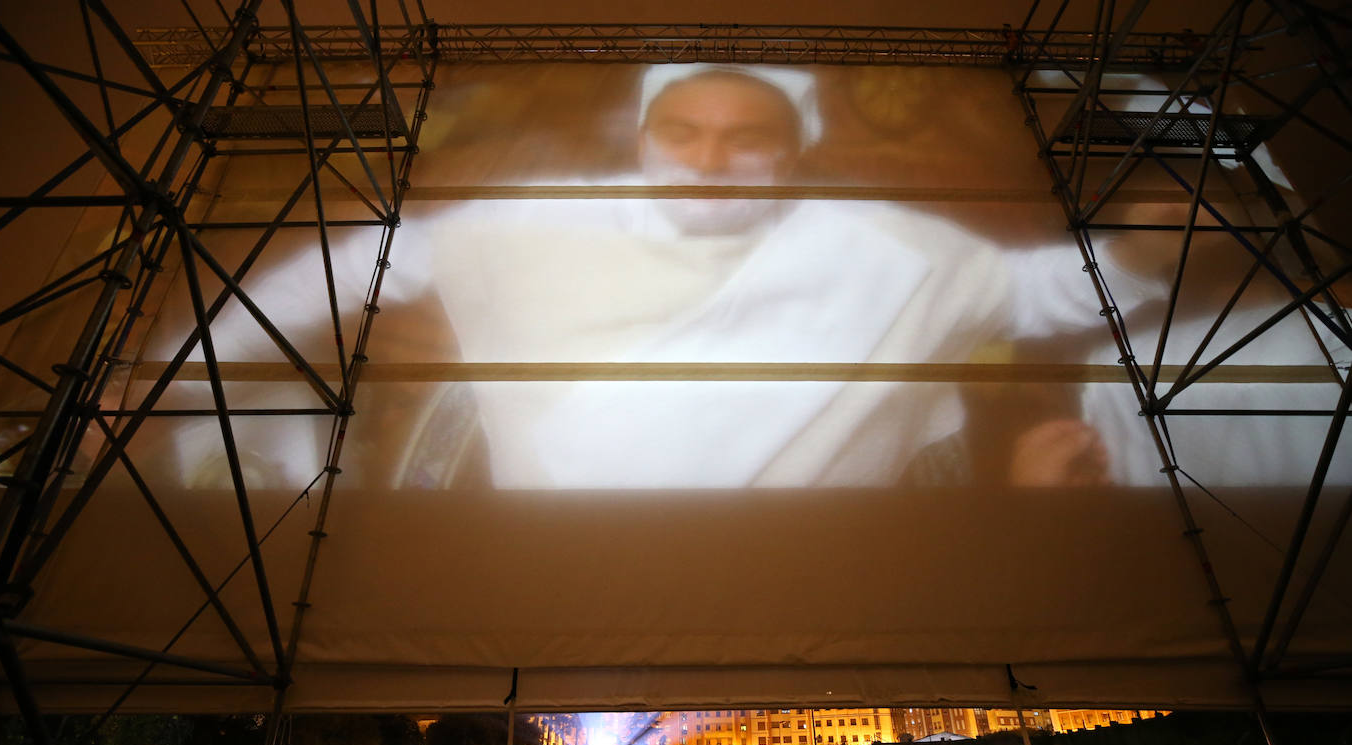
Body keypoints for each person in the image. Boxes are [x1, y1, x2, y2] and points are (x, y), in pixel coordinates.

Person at [396, 64, 1128, 489]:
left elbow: (1046, 290)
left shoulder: (898, 255)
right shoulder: (532, 230)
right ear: (645, 141)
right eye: (682, 135)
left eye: (745, 140)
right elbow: (369, 269)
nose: (709, 163)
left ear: (791, 153)